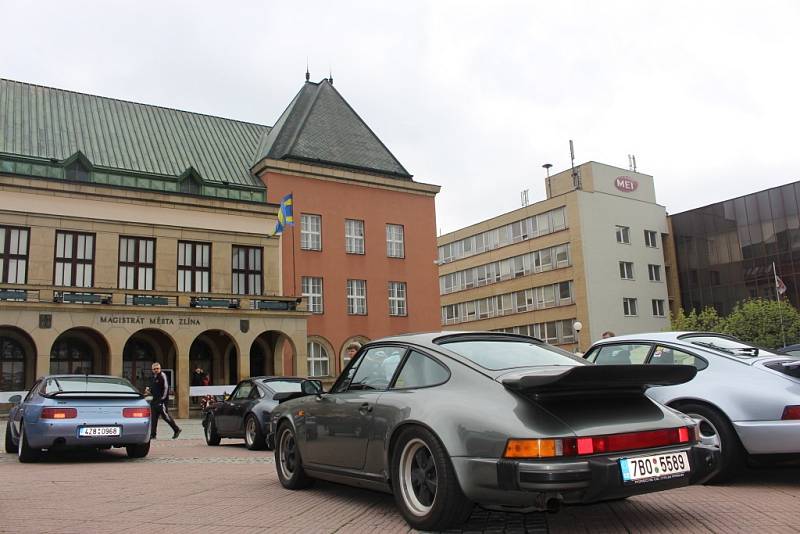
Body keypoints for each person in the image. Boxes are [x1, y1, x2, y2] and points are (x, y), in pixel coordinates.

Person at [144, 362, 181, 440]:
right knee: (153, 418)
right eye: (154, 369)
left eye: (157, 368)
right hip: (154, 400)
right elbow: (152, 388)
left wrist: (162, 399)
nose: (156, 370)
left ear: (160, 368)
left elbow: (166, 388)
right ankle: (153, 434)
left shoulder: (162, 375)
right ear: (152, 370)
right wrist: (148, 390)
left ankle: (176, 429)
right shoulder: (153, 377)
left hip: (162, 401)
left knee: (166, 416)